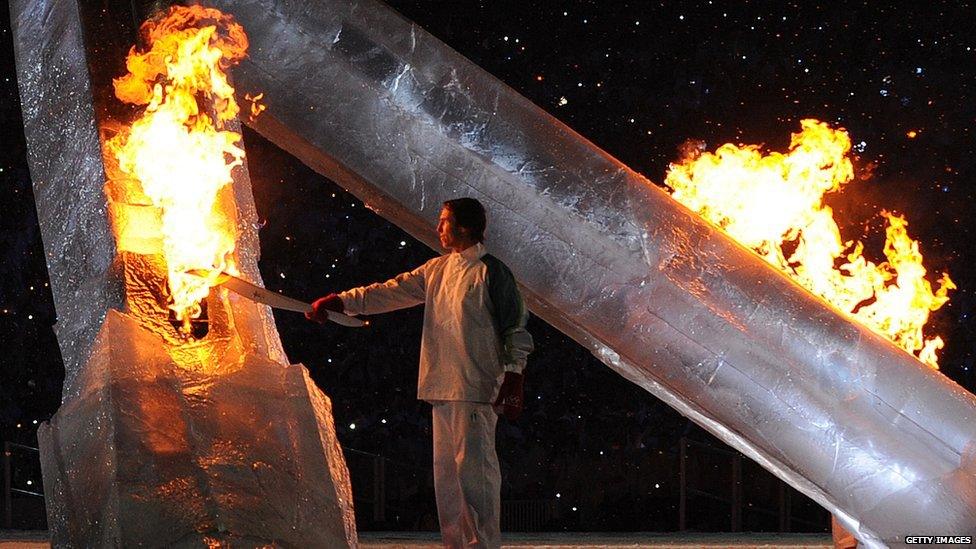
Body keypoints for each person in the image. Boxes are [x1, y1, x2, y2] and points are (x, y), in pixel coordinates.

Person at [307, 197, 534, 549]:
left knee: (476, 477)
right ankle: (456, 545)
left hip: (476, 387)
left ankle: (484, 545)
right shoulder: (436, 270)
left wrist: (514, 376)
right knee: (448, 482)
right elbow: (390, 291)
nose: (438, 228)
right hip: (440, 385)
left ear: (466, 227)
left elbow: (515, 328)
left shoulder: (492, 271)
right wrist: (343, 301)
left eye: (444, 221)